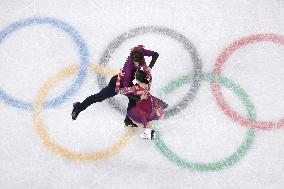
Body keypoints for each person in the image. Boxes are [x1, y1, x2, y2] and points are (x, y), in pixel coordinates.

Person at [71, 45, 159, 128]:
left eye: (139, 63)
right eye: (136, 64)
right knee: (99, 97)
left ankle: (128, 120)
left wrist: (150, 67)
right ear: (132, 61)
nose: (138, 65)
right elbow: (123, 89)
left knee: (134, 101)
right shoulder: (129, 70)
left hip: (125, 84)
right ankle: (78, 107)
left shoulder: (140, 52)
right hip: (119, 84)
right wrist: (138, 98)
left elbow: (155, 54)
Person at [115, 69, 168, 140]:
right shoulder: (149, 82)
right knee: (148, 118)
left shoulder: (135, 88)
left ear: (137, 80)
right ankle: (149, 133)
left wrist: (119, 77)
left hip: (142, 105)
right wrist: (147, 71)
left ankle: (148, 134)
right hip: (149, 102)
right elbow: (149, 75)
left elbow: (118, 90)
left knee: (139, 118)